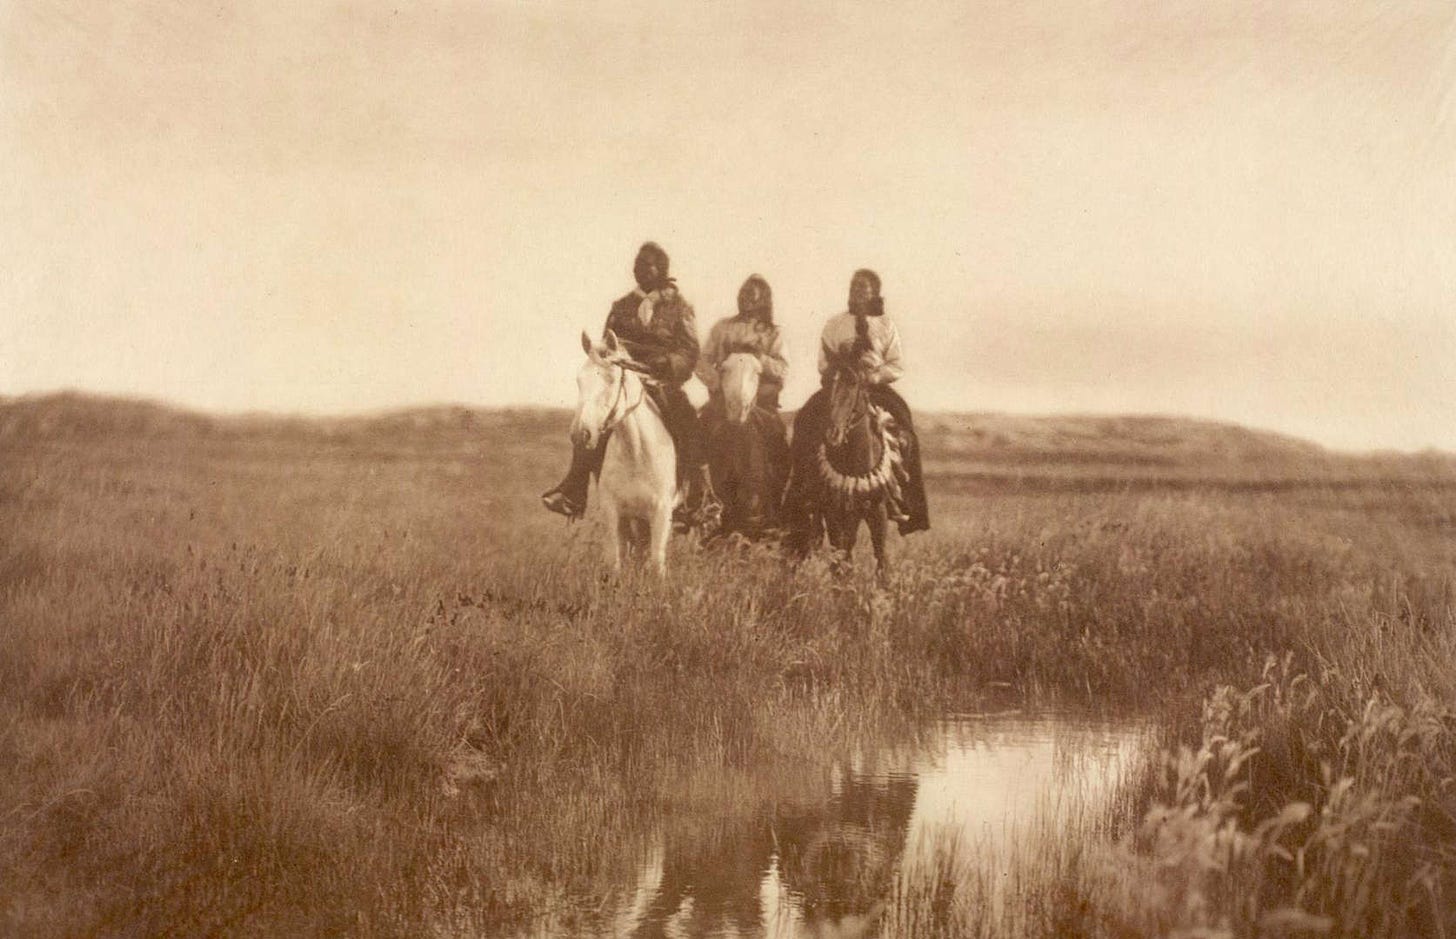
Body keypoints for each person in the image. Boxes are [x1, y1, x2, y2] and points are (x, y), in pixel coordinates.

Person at [541, 242, 719, 528]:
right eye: (637, 264)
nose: (640, 269)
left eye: (646, 264)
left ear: (661, 269)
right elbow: (606, 349)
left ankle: (699, 497)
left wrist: (669, 363)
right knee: (592, 420)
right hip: (623, 380)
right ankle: (573, 488)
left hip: (660, 382)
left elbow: (689, 350)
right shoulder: (621, 307)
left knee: (687, 421)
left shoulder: (679, 307)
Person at [787, 268, 929, 534]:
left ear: (874, 292)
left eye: (864, 288)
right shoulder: (835, 323)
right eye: (854, 287)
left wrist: (874, 376)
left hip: (874, 388)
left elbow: (896, 365)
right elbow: (823, 361)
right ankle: (803, 493)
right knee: (806, 419)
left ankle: (903, 499)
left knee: (905, 427)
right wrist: (837, 371)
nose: (858, 292)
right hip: (840, 386)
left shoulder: (886, 325)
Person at [695, 274, 789, 414]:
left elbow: (783, 370)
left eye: (751, 293)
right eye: (742, 293)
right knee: (700, 429)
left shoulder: (773, 333)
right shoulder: (722, 327)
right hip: (723, 402)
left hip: (761, 403)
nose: (744, 297)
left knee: (774, 431)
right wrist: (718, 384)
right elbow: (702, 361)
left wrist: (759, 356)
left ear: (762, 299)